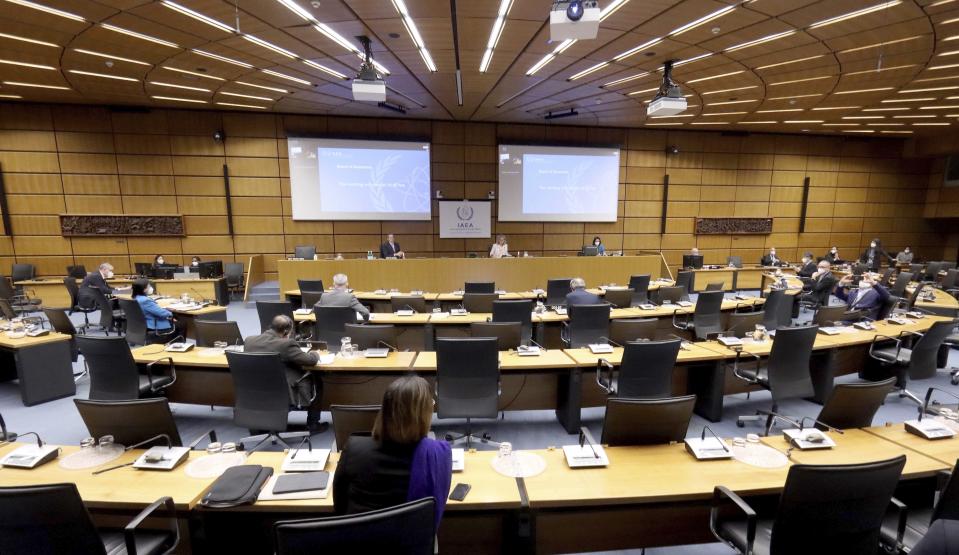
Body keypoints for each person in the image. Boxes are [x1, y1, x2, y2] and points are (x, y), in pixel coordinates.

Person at [333, 375, 452, 527]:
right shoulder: (438, 454)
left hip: (359, 541)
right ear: (424, 415)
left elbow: (340, 505)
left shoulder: (354, 448)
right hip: (412, 545)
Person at [244, 314, 327, 432]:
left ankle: (259, 425)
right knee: (317, 380)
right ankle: (313, 424)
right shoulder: (286, 344)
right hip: (281, 393)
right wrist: (315, 353)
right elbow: (311, 361)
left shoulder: (249, 341)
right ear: (286, 332)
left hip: (256, 391)